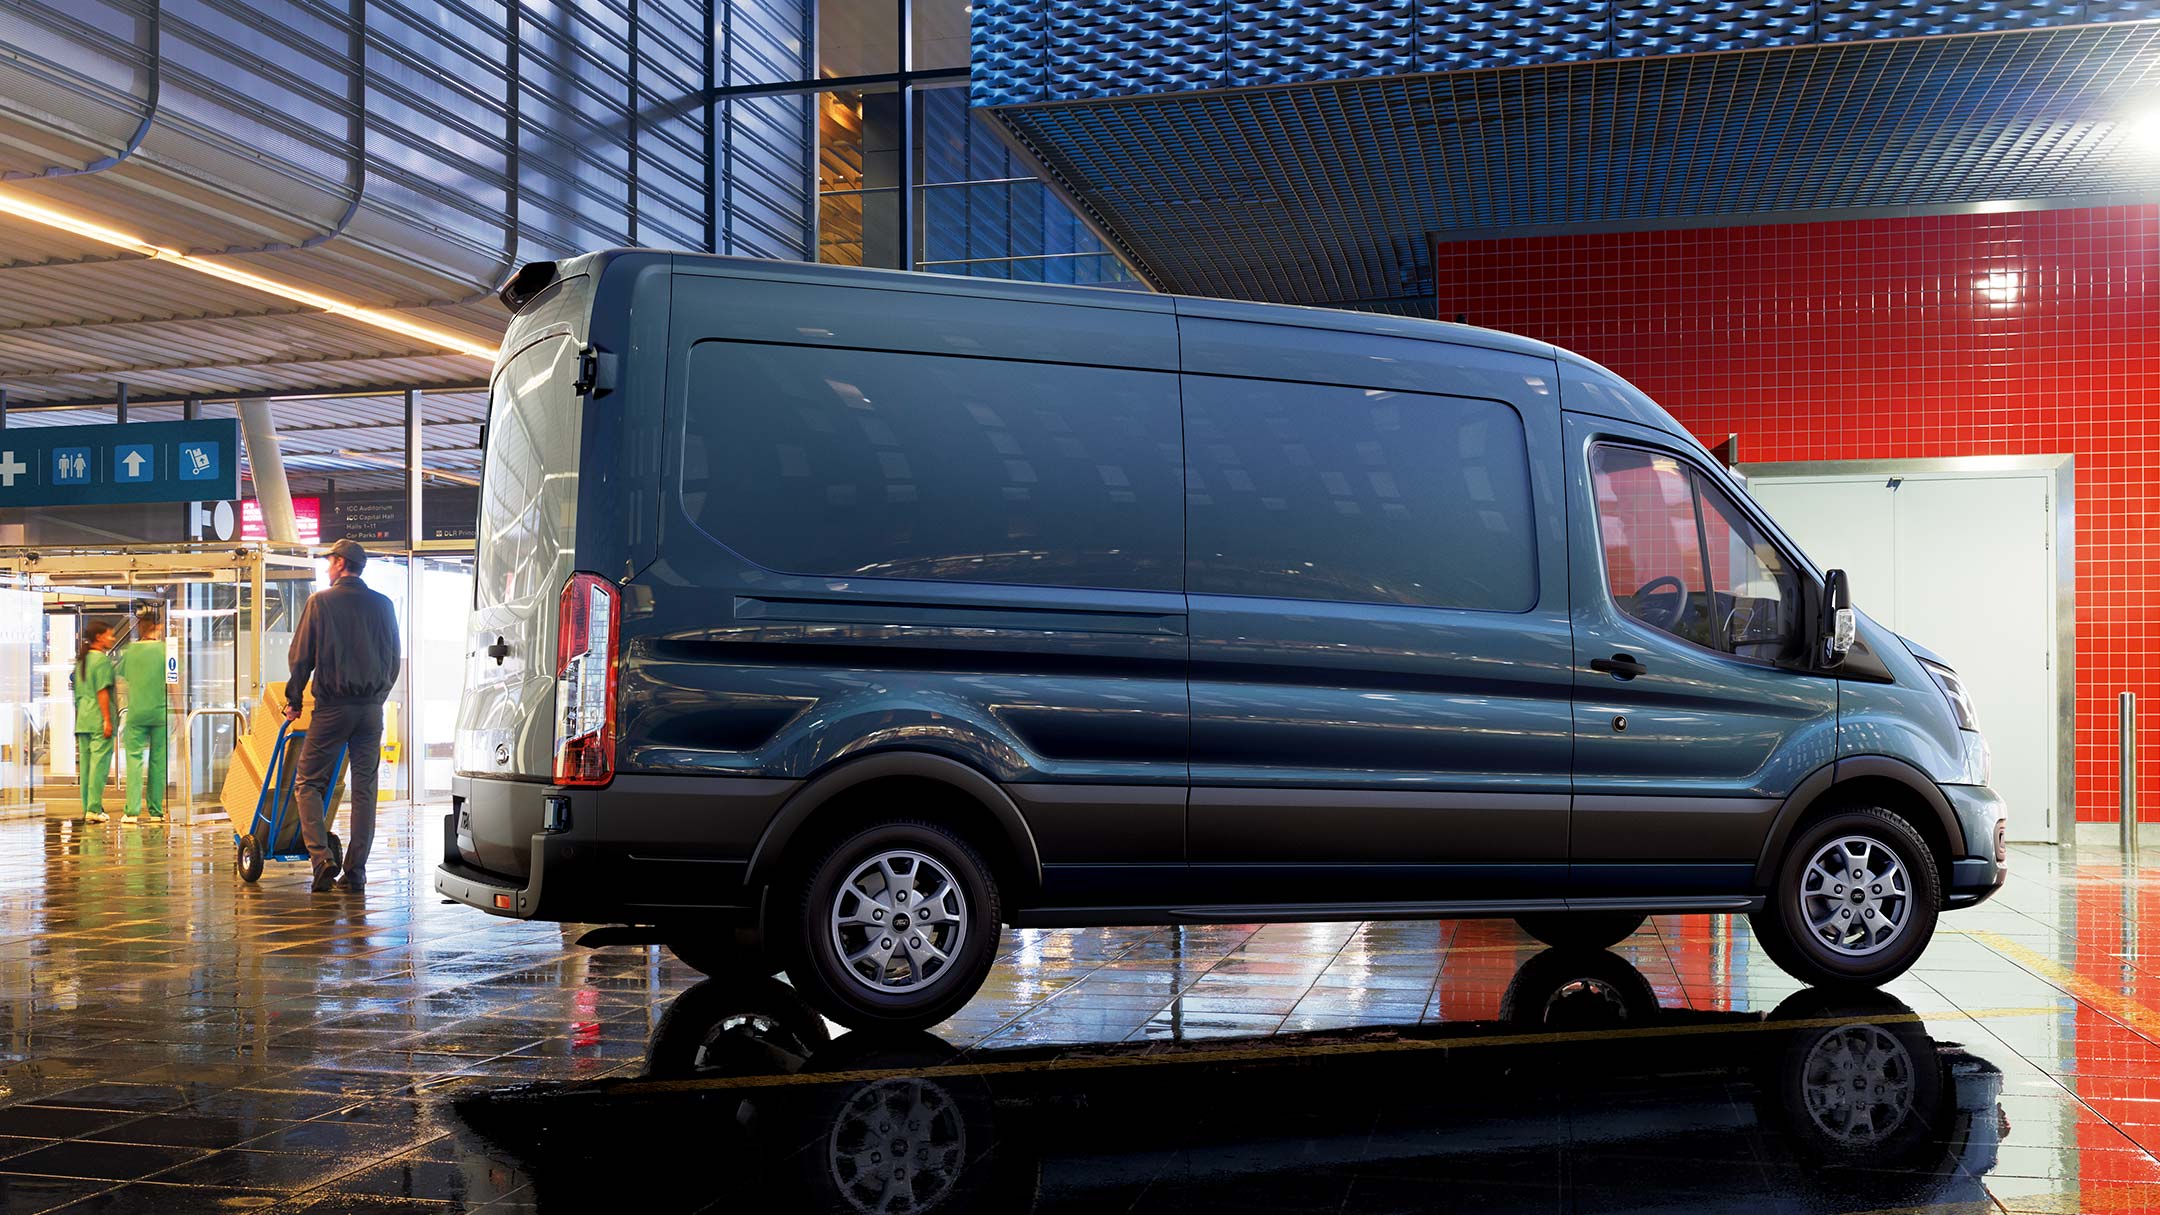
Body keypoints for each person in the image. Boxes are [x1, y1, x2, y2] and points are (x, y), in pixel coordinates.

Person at [284, 538, 401, 894]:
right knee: (364, 788)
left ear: (339, 562)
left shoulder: (320, 602)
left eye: (329, 561)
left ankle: (322, 860)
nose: (326, 567)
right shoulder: (383, 604)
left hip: (333, 707)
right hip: (370, 710)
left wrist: (295, 700)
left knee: (309, 783)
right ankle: (356, 872)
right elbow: (393, 657)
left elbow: (301, 656)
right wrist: (378, 697)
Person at [116, 606, 171, 824]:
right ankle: (156, 811)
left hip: (137, 712)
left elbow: (123, 682)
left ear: (140, 626)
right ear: (158, 626)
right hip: (159, 712)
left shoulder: (130, 651)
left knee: (134, 761)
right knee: (158, 762)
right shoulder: (166, 651)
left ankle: (132, 811)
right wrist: (176, 711)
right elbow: (174, 684)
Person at [71, 620, 116, 826]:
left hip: (83, 720)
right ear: (99, 637)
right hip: (98, 720)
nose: (112, 638)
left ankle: (88, 806)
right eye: (109, 634)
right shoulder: (102, 661)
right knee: (99, 767)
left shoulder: (81, 661)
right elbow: (102, 692)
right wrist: (107, 719)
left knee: (87, 767)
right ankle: (94, 808)